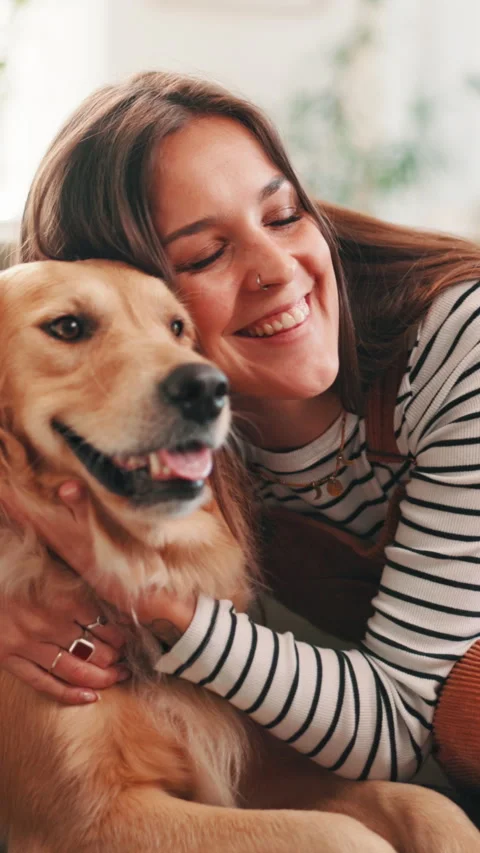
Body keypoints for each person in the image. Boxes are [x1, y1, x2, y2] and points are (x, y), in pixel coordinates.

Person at [4, 70, 480, 791]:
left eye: (283, 215)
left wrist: (156, 598)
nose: (277, 268)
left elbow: (405, 721)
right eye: (203, 255)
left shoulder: (460, 343)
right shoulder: (146, 424)